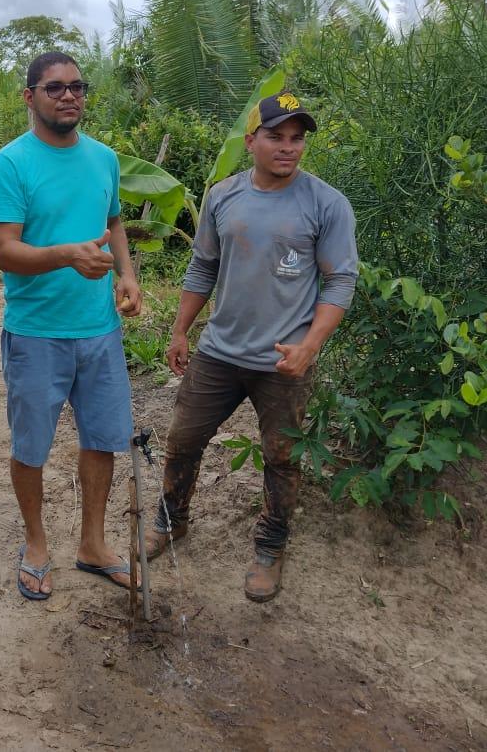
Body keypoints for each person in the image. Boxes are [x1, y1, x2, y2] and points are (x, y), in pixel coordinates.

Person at [144, 91, 358, 603]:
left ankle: (271, 545)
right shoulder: (223, 196)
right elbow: (203, 267)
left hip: (284, 361)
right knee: (183, 439)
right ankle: (172, 519)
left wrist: (310, 346)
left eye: (297, 139)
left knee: (281, 456)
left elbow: (340, 280)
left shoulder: (325, 204)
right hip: (220, 351)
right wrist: (180, 330)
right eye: (276, 137)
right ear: (251, 141)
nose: (288, 148)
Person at [0, 51, 142, 601]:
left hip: (98, 330)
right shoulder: (9, 164)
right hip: (36, 333)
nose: (68, 95)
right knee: (32, 446)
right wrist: (67, 256)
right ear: (30, 96)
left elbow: (114, 220)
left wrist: (126, 274)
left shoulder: (104, 159)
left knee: (102, 439)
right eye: (54, 88)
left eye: (77, 86)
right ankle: (35, 544)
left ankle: (93, 545)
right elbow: (5, 252)